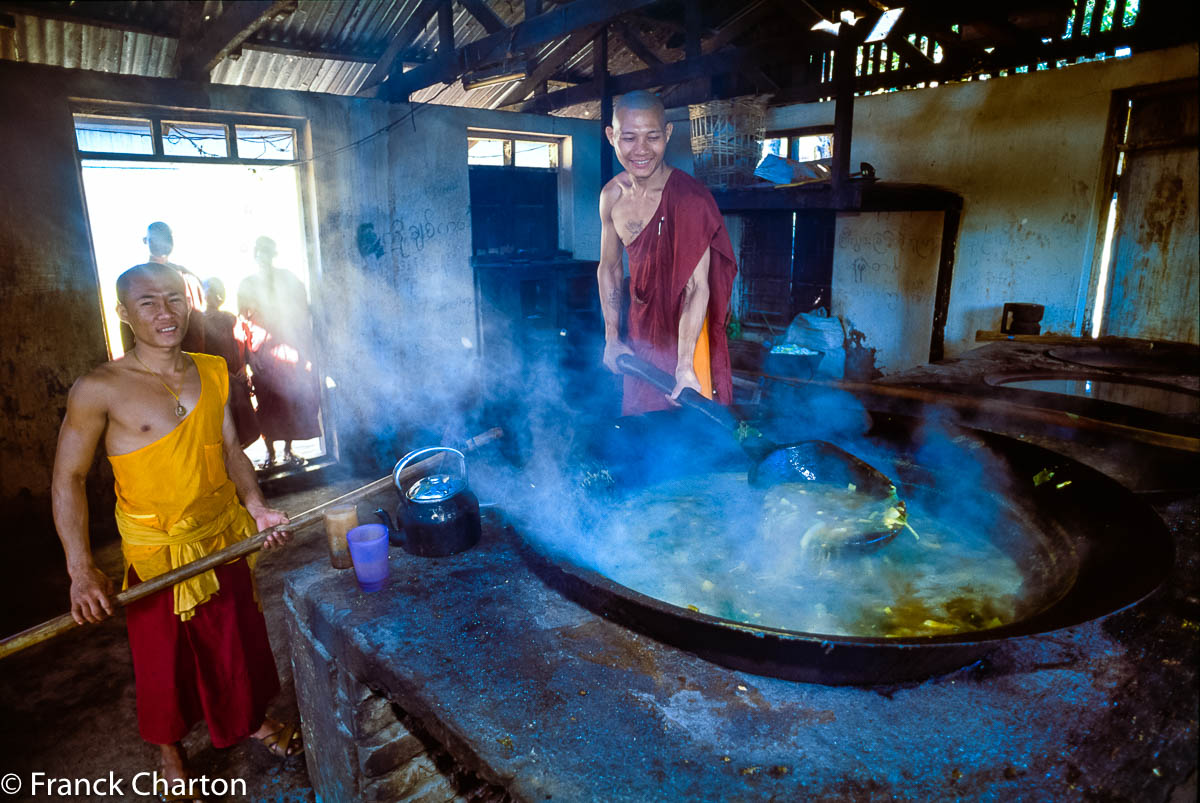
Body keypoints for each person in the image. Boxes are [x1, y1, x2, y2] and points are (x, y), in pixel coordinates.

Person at [52, 263, 303, 796]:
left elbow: (232, 450)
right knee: (162, 658)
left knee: (235, 637)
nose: (165, 313)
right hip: (157, 549)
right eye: (148, 303)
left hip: (221, 533)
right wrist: (81, 569)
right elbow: (68, 478)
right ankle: (168, 751)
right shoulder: (99, 387)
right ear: (123, 312)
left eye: (174, 299)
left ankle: (250, 719)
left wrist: (256, 506)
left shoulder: (213, 369)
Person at [597, 90, 738, 415]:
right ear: (611, 136)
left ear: (668, 134)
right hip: (642, 330)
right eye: (629, 138)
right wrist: (612, 337)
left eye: (653, 137)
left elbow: (697, 288)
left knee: (690, 431)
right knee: (641, 427)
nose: (641, 150)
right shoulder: (611, 196)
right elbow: (610, 268)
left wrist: (685, 363)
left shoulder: (689, 199)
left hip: (686, 334)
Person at [237, 237, 321, 469]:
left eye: (267, 252)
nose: (263, 256)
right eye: (260, 252)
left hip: (288, 351)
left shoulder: (289, 280)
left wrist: (305, 353)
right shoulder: (247, 284)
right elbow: (242, 322)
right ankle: (270, 452)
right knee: (267, 404)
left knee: (289, 402)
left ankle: (288, 449)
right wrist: (249, 357)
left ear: (273, 254)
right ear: (255, 255)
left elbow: (304, 316)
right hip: (261, 354)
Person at [200, 277, 260, 449]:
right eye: (209, 292)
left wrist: (242, 367)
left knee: (243, 427)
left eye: (217, 293)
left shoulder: (231, 318)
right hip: (213, 382)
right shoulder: (198, 322)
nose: (214, 297)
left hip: (236, 379)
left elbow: (242, 346)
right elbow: (198, 354)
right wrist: (222, 374)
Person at [144, 221, 207, 354]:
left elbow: (200, 325)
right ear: (146, 241)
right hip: (157, 363)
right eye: (156, 238)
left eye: (166, 237)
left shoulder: (189, 277)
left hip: (192, 358)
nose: (161, 241)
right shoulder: (137, 279)